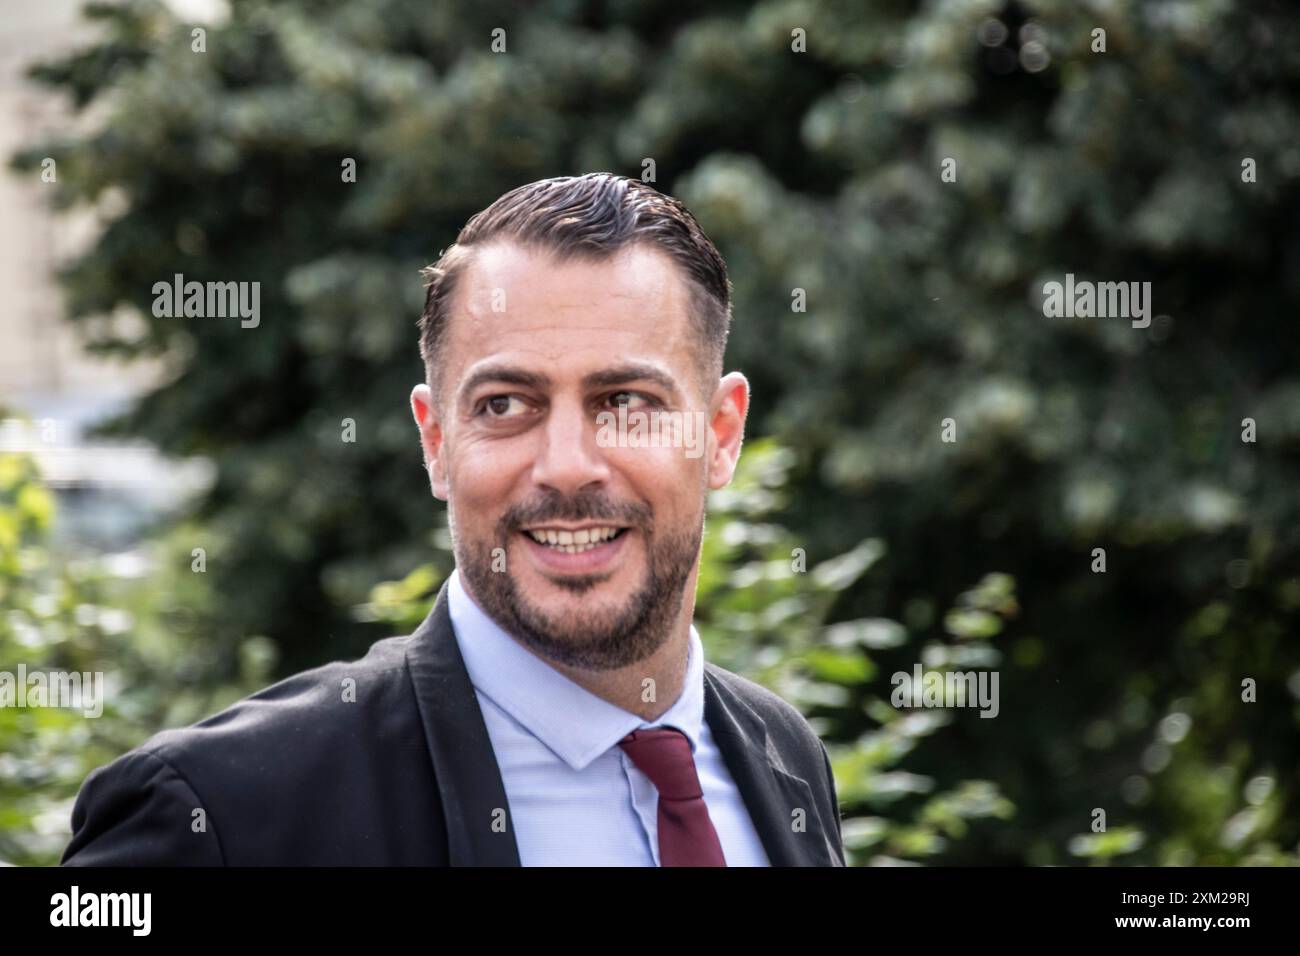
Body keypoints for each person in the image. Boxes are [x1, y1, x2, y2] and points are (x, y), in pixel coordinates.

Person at [62, 173, 846, 866]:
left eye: (626, 403)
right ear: (436, 443)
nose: (567, 464)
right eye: (505, 405)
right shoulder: (220, 813)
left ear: (720, 433)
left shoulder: (786, 761)